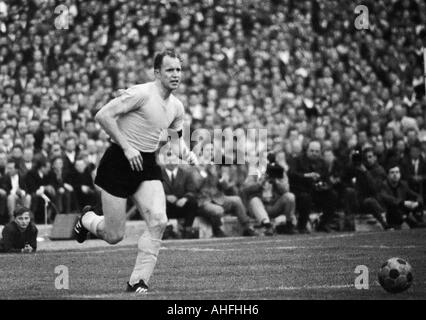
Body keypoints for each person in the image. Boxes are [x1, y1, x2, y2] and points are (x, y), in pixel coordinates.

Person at [73, 49, 198, 294]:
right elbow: (103, 115)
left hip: (147, 162)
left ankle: (137, 281)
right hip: (118, 162)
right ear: (157, 73)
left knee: (159, 221)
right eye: (170, 70)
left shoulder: (176, 107)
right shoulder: (141, 93)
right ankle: (87, 219)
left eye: (178, 70)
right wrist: (127, 147)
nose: (175, 74)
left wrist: (187, 153)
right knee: (114, 235)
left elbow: (175, 140)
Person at [379, 163, 426, 229]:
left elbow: (417, 195)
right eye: (392, 172)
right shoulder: (384, 185)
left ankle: (419, 222)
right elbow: (386, 198)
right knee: (394, 207)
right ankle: (414, 224)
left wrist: (417, 203)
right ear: (388, 175)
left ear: (400, 174)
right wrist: (403, 202)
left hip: (404, 212)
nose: (395, 174)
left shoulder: (403, 184)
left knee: (418, 205)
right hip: (391, 215)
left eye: (397, 172)